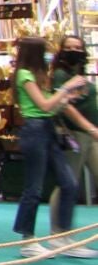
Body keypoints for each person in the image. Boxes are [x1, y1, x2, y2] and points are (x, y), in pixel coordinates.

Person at [11, 35, 96, 257]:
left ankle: (62, 236)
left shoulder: (40, 76)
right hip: (35, 131)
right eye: (44, 51)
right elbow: (44, 105)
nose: (48, 55)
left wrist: (68, 96)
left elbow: (52, 108)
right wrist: (66, 88)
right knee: (34, 188)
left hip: (48, 129)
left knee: (69, 183)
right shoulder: (24, 74)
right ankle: (27, 239)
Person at [50, 37, 98, 207]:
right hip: (75, 135)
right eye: (68, 47)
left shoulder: (77, 74)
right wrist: (90, 128)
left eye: (77, 48)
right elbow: (64, 106)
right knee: (67, 184)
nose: (73, 51)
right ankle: (59, 223)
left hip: (90, 136)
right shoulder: (60, 75)